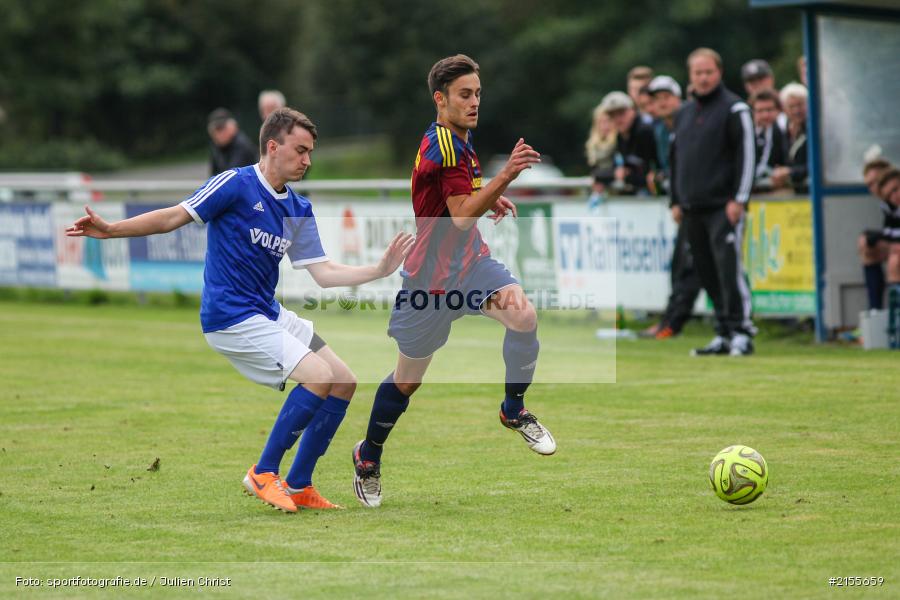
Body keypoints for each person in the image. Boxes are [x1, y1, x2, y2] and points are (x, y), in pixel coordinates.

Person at [66, 108, 414, 514]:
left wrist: (378, 270)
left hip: (266, 312)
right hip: (229, 316)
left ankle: (300, 484)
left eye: (310, 153)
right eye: (300, 151)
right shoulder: (235, 183)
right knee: (318, 377)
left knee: (343, 381)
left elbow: (322, 272)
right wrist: (111, 230)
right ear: (272, 146)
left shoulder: (298, 209)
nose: (307, 160)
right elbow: (173, 217)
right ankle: (264, 472)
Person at [350, 54, 556, 509]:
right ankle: (368, 455)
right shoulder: (443, 143)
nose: (474, 101)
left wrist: (492, 198)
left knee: (522, 315)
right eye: (465, 94)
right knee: (408, 381)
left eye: (478, 93)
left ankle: (513, 409)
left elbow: (460, 201)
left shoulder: (459, 140)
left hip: (470, 266)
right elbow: (461, 216)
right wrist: (506, 177)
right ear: (440, 99)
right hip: (430, 280)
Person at [669, 47, 756, 356]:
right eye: (697, 73)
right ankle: (722, 331)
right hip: (692, 208)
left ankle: (741, 331)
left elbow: (747, 156)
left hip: (723, 206)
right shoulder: (684, 113)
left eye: (708, 72)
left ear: (719, 73)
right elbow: (676, 159)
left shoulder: (735, 109)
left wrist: (739, 199)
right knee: (706, 271)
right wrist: (675, 200)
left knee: (729, 269)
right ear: (690, 76)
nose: (703, 78)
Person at [641, 75, 702, 340]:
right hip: (685, 203)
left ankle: (674, 322)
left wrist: (678, 197)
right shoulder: (661, 129)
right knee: (682, 266)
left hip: (699, 202)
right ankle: (671, 321)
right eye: (657, 99)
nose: (662, 103)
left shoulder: (688, 123)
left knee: (695, 267)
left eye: (666, 97)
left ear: (679, 98)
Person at [597, 91, 658, 194]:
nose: (617, 119)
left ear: (632, 111)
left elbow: (650, 173)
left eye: (621, 113)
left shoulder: (644, 132)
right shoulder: (621, 136)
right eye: (612, 115)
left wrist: (626, 175)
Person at [859, 158, 893, 309]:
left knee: (895, 261)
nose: (874, 188)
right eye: (869, 185)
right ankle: (875, 312)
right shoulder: (886, 203)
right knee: (867, 247)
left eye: (876, 181)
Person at [771, 83, 808, 193]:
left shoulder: (815, 130)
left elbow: (819, 166)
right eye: (791, 106)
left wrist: (790, 172)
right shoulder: (781, 129)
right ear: (784, 108)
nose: (796, 111)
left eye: (800, 105)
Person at [748, 89, 788, 190]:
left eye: (769, 110)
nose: (765, 115)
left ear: (779, 110)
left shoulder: (786, 131)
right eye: (760, 111)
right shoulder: (746, 133)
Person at [207, 108, 259, 176]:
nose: (219, 134)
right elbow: (213, 175)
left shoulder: (242, 145)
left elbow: (232, 176)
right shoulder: (216, 146)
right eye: (217, 129)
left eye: (222, 128)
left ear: (233, 126)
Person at [585, 102, 618, 200]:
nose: (605, 126)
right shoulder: (592, 146)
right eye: (601, 122)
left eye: (608, 121)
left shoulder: (620, 143)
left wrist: (599, 177)